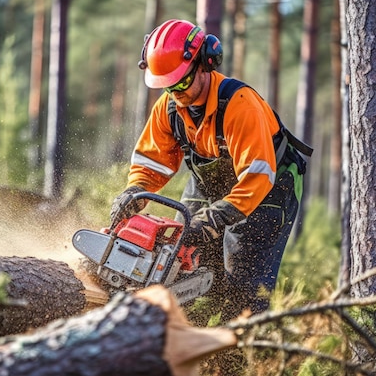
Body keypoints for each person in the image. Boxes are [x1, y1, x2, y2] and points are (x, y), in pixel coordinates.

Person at [110, 19, 310, 324]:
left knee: (242, 282)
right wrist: (135, 192)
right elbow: (151, 163)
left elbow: (256, 177)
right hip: (210, 185)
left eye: (180, 82)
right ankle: (185, 341)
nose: (174, 92)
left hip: (269, 188)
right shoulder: (169, 108)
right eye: (167, 85)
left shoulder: (239, 105)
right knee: (177, 257)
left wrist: (214, 221)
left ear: (204, 64)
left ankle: (243, 356)